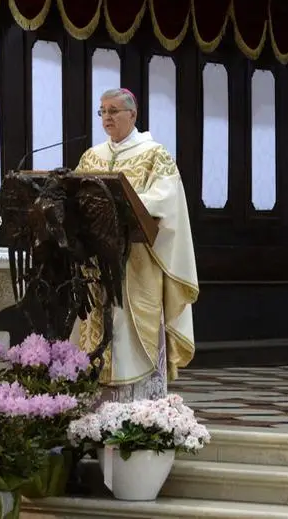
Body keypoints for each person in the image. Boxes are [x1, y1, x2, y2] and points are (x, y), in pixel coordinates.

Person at [72, 88, 199, 403]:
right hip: (95, 261)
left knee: (130, 327)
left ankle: (137, 407)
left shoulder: (155, 153)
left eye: (114, 110)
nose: (107, 117)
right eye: (102, 111)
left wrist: (123, 204)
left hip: (136, 259)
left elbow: (167, 200)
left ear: (133, 113)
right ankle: (94, 404)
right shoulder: (92, 156)